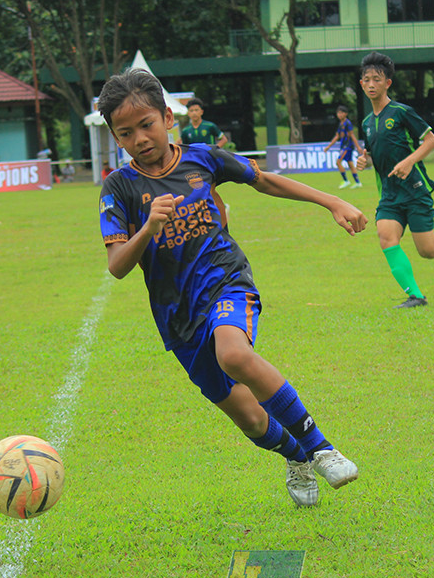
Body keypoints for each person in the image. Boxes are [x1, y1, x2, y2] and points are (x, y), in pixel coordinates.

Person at [97, 68, 367, 507]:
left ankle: (321, 448)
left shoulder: (204, 158)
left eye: (146, 124)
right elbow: (116, 266)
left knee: (235, 353)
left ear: (167, 117)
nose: (140, 138)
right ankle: (296, 457)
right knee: (250, 419)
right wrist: (147, 227)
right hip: (177, 315)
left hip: (225, 279)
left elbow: (265, 180)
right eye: (125, 133)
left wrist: (332, 201)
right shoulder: (119, 187)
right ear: (116, 137)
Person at [355, 52, 434, 309]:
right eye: (367, 80)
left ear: (388, 82)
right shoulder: (367, 123)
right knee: (386, 237)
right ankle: (416, 296)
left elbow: (430, 140)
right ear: (361, 84)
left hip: (415, 189)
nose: (372, 84)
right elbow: (376, 155)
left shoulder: (401, 112)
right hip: (389, 193)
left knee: (428, 251)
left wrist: (410, 160)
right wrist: (365, 161)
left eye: (377, 79)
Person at [180, 97, 232, 228]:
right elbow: (183, 145)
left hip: (208, 164)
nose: (194, 113)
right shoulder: (186, 131)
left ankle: (222, 224)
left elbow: (223, 139)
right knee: (197, 191)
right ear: (188, 113)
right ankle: (205, 218)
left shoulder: (209, 126)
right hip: (193, 165)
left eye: (196, 110)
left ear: (201, 112)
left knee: (210, 189)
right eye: (191, 110)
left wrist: (214, 151)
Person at [324, 104, 363, 189]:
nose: (339, 115)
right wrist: (329, 146)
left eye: (341, 113)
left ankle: (346, 181)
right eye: (338, 113)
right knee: (350, 164)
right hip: (343, 146)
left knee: (338, 162)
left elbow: (352, 135)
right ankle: (358, 182)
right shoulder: (341, 124)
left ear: (345, 114)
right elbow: (337, 136)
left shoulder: (347, 123)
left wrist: (358, 147)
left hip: (347, 146)